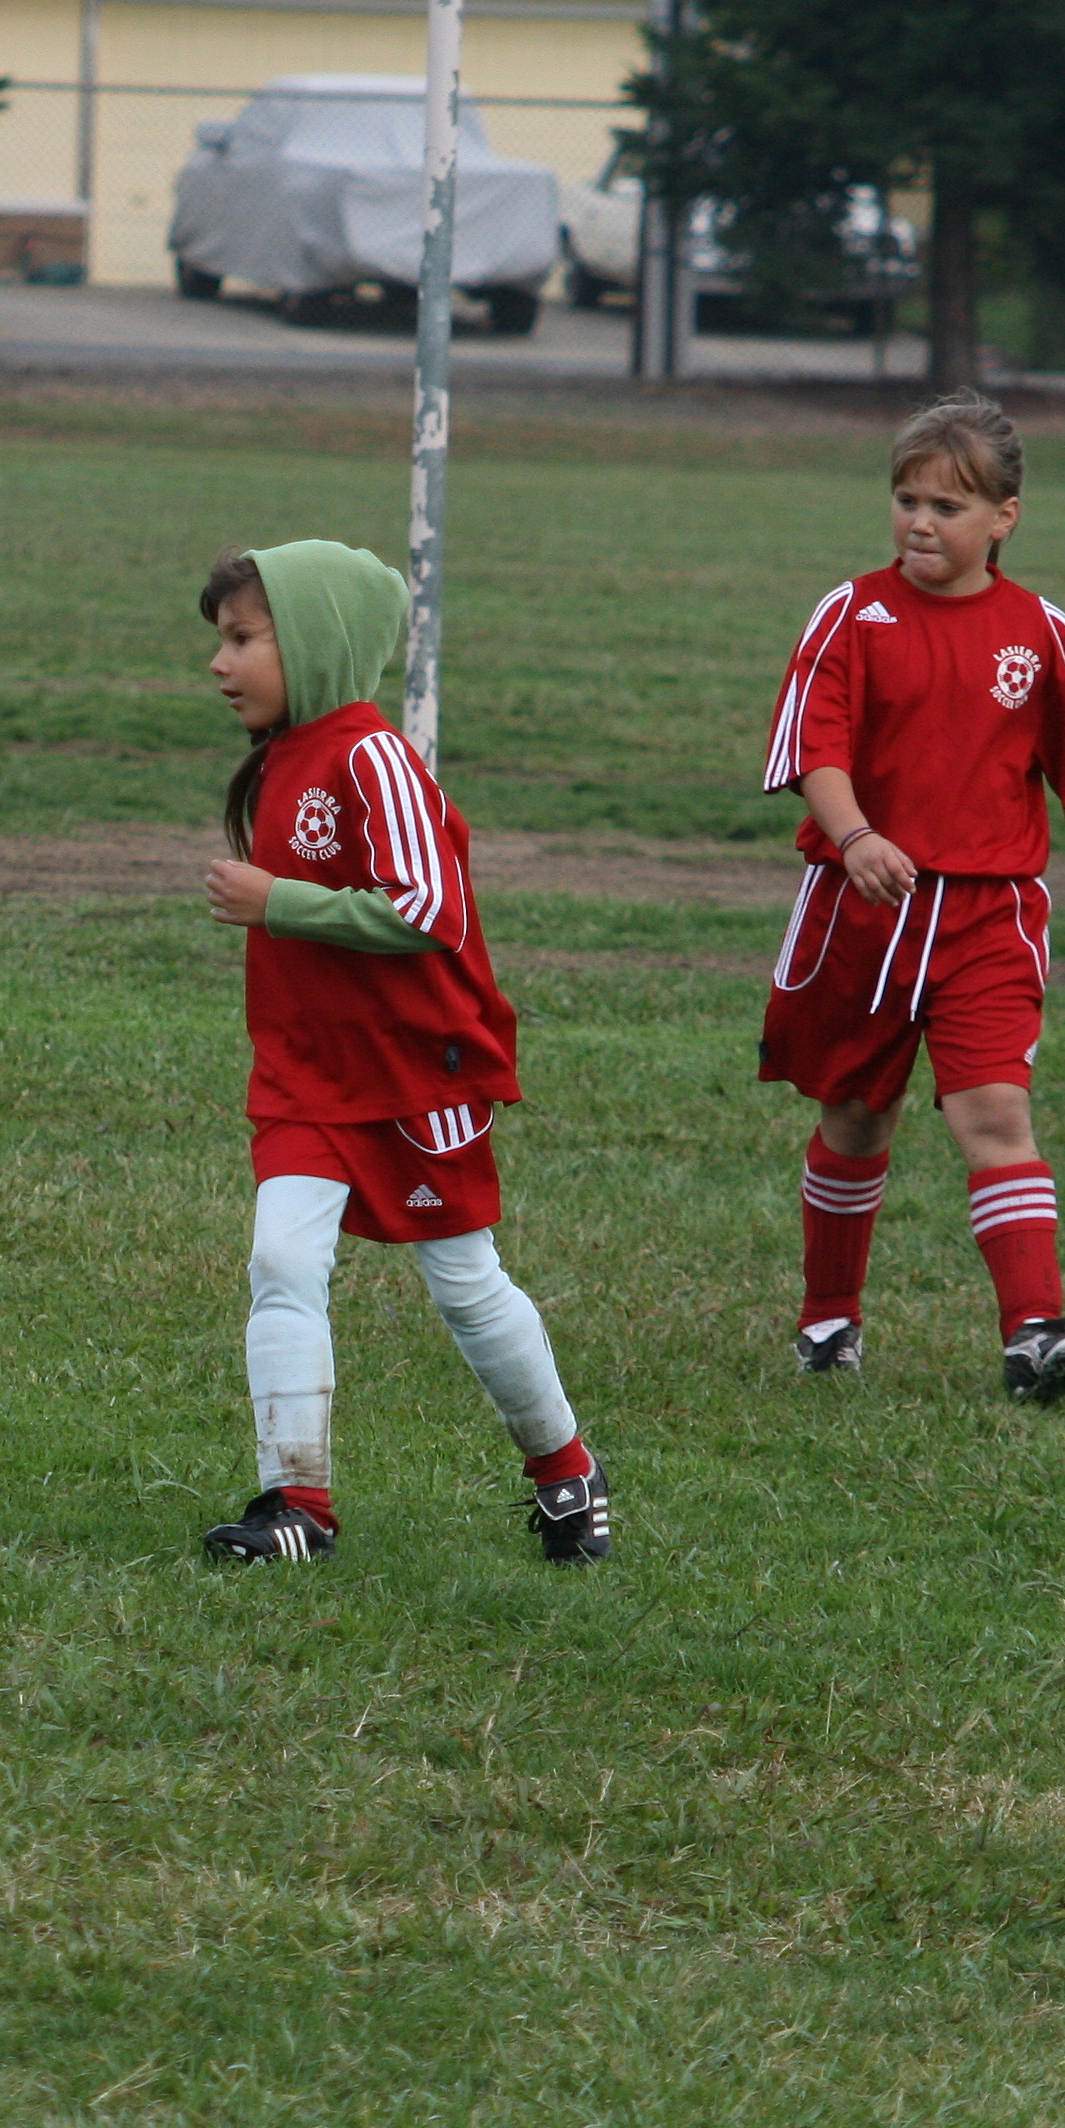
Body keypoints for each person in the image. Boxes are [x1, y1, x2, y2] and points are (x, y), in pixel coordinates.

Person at [757, 393, 1065, 1401]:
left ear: (1005, 518)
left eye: (948, 507)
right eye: (907, 500)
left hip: (989, 917)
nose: (921, 523)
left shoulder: (1042, 635)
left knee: (996, 1113)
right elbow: (813, 752)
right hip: (861, 916)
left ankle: (1035, 1331)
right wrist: (857, 836)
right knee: (856, 1118)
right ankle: (828, 1322)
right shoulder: (850, 615)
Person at [192, 540, 613, 1567]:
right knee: (281, 1262)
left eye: (243, 639)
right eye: (221, 642)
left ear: (317, 643)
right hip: (308, 1075)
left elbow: (429, 910)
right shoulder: (286, 757)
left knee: (465, 1283)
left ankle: (566, 1471)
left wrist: (278, 902)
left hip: (416, 1074)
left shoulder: (372, 756)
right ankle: (298, 1505)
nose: (220, 663)